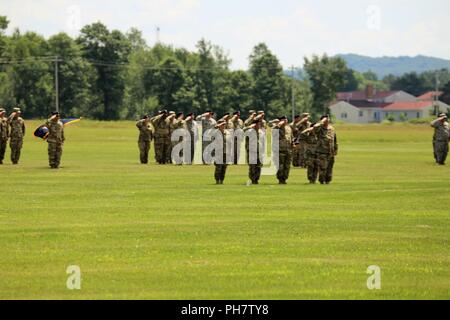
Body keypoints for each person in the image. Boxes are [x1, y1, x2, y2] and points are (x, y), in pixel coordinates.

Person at [313, 115, 338, 184]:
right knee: (322, 167)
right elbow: (315, 127)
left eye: (328, 119)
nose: (327, 120)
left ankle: (328, 181)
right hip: (322, 151)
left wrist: (335, 149)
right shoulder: (320, 129)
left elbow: (334, 139)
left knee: (330, 168)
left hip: (330, 151)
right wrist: (322, 121)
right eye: (326, 119)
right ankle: (322, 181)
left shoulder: (331, 128)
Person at [274, 116, 293, 184]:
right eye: (283, 119)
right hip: (280, 149)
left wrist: (293, 145)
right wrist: (280, 124)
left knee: (287, 165)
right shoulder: (277, 127)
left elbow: (291, 137)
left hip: (288, 149)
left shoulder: (288, 127)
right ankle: (280, 179)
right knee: (280, 165)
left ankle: (285, 178)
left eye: (286, 119)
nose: (285, 120)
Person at [244, 119, 263, 184]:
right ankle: (252, 179)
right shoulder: (249, 131)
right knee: (252, 166)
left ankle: (257, 179)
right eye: (258, 124)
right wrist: (250, 126)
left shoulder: (261, 132)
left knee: (259, 166)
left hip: (259, 151)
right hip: (251, 151)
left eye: (259, 124)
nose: (259, 125)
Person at [214, 120, 229, 184]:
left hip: (226, 152)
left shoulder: (227, 132)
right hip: (218, 152)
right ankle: (217, 180)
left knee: (224, 167)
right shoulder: (215, 133)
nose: (223, 126)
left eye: (224, 124)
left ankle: (222, 180)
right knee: (218, 167)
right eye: (222, 124)